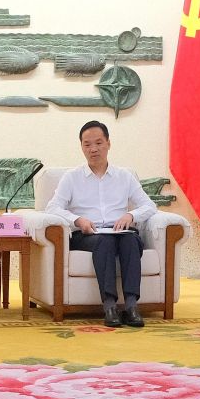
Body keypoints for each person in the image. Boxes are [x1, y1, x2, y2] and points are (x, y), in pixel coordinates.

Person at [46, 121, 160, 328]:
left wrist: (130, 215)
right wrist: (77, 220)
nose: (93, 149)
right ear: (81, 147)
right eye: (87, 144)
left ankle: (132, 306)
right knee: (104, 242)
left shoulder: (124, 176)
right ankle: (109, 306)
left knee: (131, 241)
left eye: (99, 143)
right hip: (88, 234)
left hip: (120, 232)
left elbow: (149, 205)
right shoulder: (72, 177)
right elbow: (52, 207)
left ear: (108, 144)